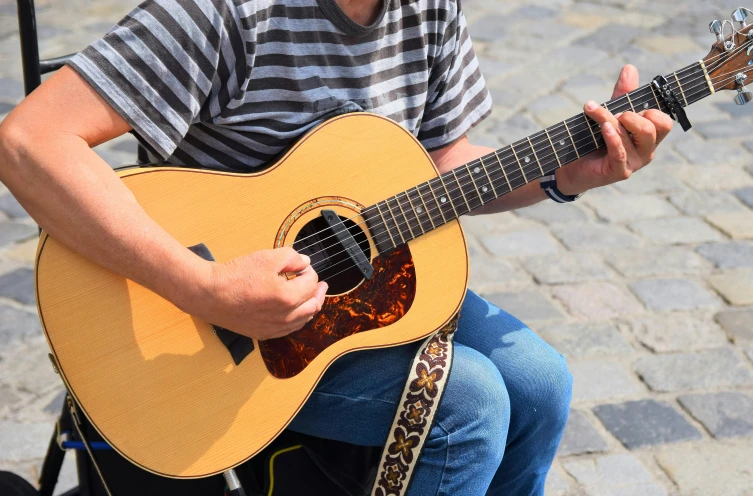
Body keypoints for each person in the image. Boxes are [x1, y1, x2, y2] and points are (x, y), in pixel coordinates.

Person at [0, 0, 672, 493]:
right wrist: (202, 287)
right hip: (214, 340)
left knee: (541, 382)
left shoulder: (429, 8)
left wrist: (562, 176)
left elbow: (442, 163)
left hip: (360, 298)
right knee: (468, 404)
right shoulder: (224, 13)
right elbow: (30, 142)